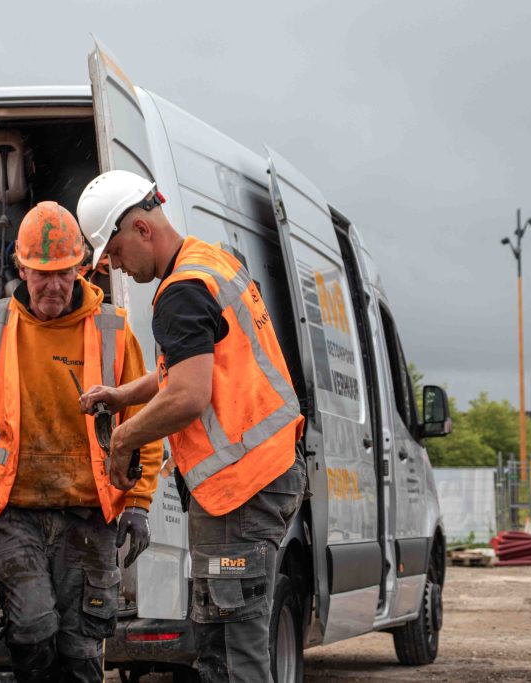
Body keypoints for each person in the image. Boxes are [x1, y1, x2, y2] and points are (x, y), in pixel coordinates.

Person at [76, 171, 306, 682]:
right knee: (220, 642)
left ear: (140, 229)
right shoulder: (210, 262)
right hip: (260, 479)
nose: (113, 266)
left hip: (239, 493)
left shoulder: (180, 293)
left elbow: (188, 395)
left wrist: (123, 440)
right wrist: (123, 395)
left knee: (235, 651)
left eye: (113, 252)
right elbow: (186, 371)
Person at [0, 200, 162, 682]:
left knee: (80, 653)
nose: (54, 286)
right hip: (18, 514)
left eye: (64, 273)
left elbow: (144, 419)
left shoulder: (113, 330)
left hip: (88, 515)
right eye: (42, 274)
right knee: (33, 631)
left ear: (81, 268)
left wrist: (139, 504)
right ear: (22, 269)